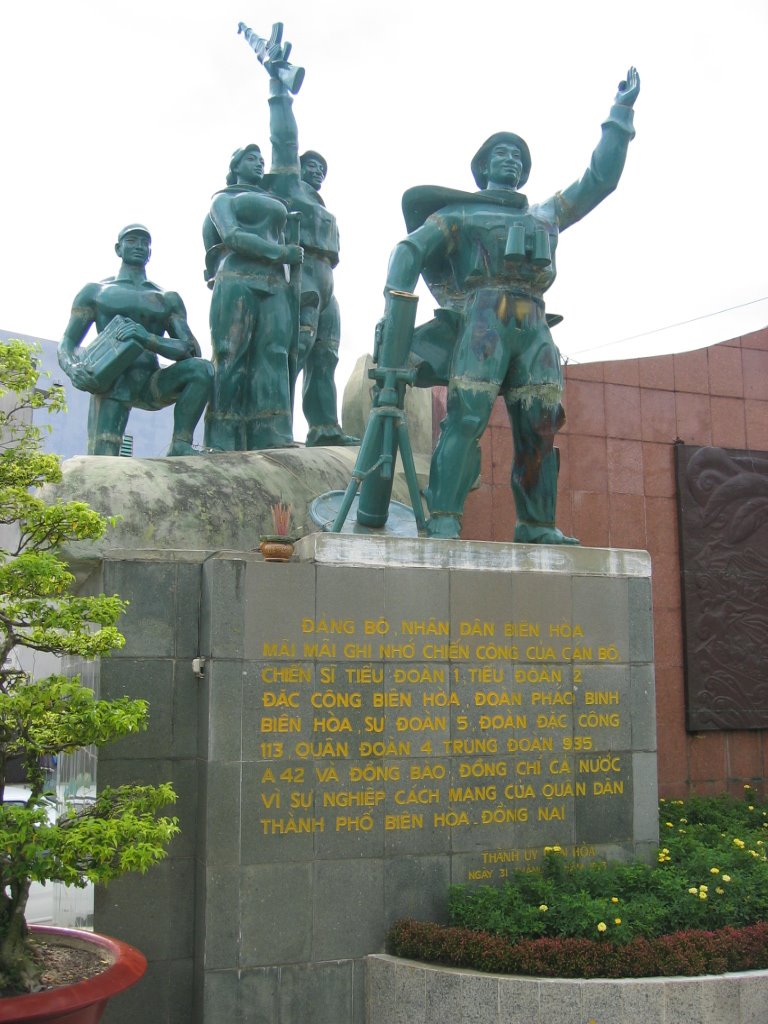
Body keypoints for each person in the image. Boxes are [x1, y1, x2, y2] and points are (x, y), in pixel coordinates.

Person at [370, 68, 640, 542]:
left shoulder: (547, 213)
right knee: (466, 417)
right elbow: (408, 250)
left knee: (540, 424)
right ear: (482, 166)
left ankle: (537, 524)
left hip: (534, 325)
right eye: (501, 153)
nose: (511, 161)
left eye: (518, 156)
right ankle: (446, 518)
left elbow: (599, 180)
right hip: (482, 322)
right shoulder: (458, 214)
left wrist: (619, 116)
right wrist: (397, 313)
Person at [58, 225, 213, 456]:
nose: (139, 246)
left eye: (145, 243)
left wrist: (147, 338)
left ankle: (181, 442)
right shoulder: (96, 292)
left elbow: (190, 349)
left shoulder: (166, 298)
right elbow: (67, 343)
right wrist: (73, 368)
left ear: (150, 252)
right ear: (118, 248)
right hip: (112, 381)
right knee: (102, 460)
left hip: (151, 381)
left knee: (202, 370)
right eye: (132, 240)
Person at [263, 71, 358, 446]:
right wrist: (279, 93)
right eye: (311, 165)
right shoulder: (288, 185)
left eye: (323, 169)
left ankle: (323, 428)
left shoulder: (320, 203)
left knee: (326, 355)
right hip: (299, 274)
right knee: (295, 350)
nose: (317, 171)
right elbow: (284, 139)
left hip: (326, 277)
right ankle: (277, 426)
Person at [203, 145, 304, 451]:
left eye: (261, 160)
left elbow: (283, 239)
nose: (259, 164)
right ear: (235, 165)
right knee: (231, 355)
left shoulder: (275, 202)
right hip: (237, 278)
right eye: (251, 158)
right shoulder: (223, 199)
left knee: (274, 355)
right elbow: (231, 236)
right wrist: (279, 252)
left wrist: (286, 256)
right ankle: (222, 435)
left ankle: (271, 431)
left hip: (275, 282)